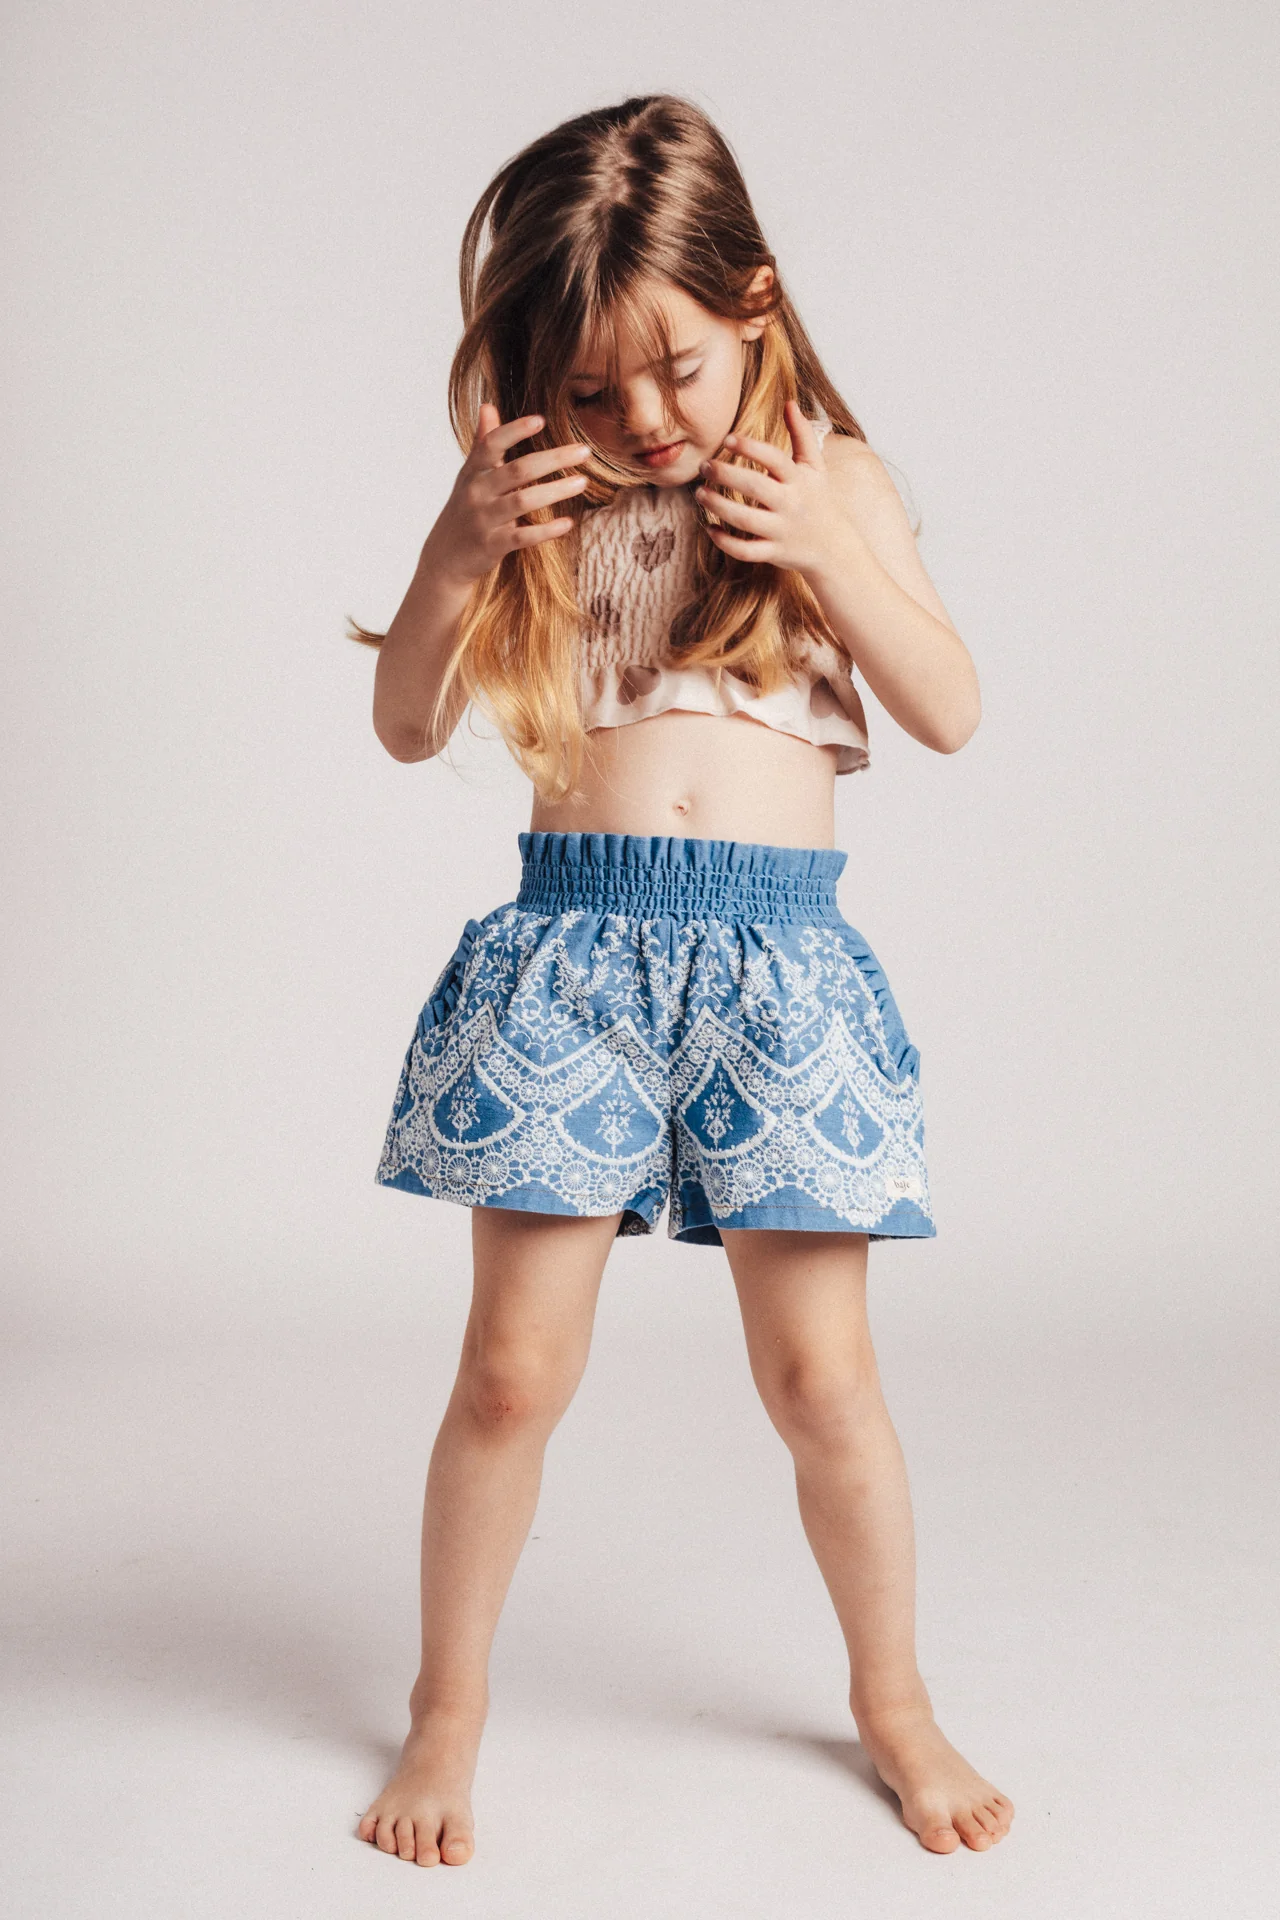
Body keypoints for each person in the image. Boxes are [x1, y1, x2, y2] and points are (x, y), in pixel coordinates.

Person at [348, 92, 1013, 1869]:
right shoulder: (535, 503)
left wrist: (829, 550)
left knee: (822, 1384)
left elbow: (950, 708)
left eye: (680, 373)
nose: (642, 422)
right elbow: (405, 725)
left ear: (757, 306)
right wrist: (457, 547)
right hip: (573, 955)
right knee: (509, 1373)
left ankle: (894, 1703)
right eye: (590, 391)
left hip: (781, 967)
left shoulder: (832, 482)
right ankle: (446, 1710)